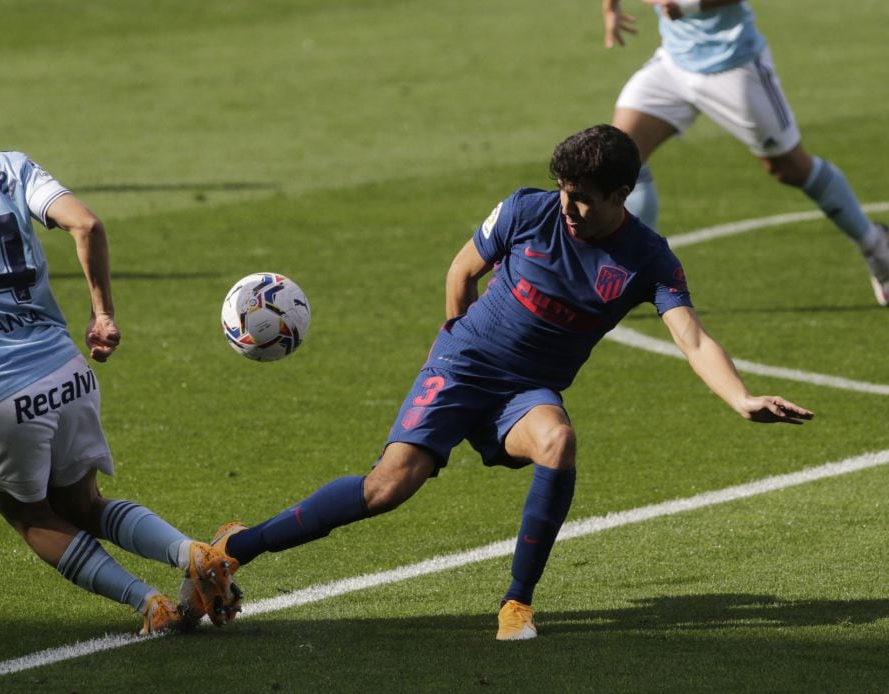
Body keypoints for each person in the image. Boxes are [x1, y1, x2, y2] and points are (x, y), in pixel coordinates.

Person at [199, 124, 813, 640]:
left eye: (582, 199)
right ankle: (238, 546)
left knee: (558, 442)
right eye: (564, 192)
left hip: (525, 392)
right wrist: (450, 343)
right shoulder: (527, 209)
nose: (567, 209)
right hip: (462, 365)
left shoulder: (647, 258)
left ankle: (517, 602)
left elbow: (694, 339)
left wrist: (740, 397)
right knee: (388, 489)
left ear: (621, 194)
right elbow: (462, 271)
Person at [0, 70, 240, 635]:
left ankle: (151, 604)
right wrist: (101, 311)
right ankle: (194, 554)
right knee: (85, 506)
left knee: (29, 515)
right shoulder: (12, 168)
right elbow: (85, 224)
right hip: (66, 371)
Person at [602, 0, 889, 306]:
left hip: (734, 66)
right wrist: (610, 10)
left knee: (789, 167)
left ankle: (876, 245)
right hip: (673, 65)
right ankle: (633, 270)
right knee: (622, 157)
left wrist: (687, 7)